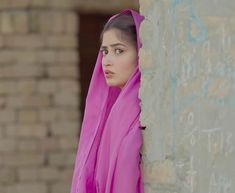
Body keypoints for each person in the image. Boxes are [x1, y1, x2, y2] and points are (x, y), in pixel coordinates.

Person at [70, 9, 145, 193]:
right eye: (105, 51)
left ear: (141, 54)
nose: (107, 61)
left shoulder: (143, 112)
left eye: (118, 51)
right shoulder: (112, 114)